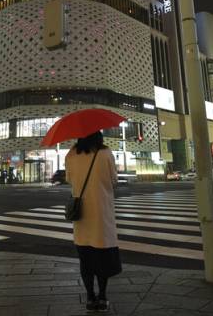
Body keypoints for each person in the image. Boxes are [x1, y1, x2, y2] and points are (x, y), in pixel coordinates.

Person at [65, 131, 121, 312]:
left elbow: (69, 179)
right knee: (102, 257)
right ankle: (103, 296)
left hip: (81, 216)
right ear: (99, 137)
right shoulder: (105, 153)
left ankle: (90, 297)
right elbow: (114, 180)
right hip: (101, 213)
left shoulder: (71, 154)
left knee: (85, 260)